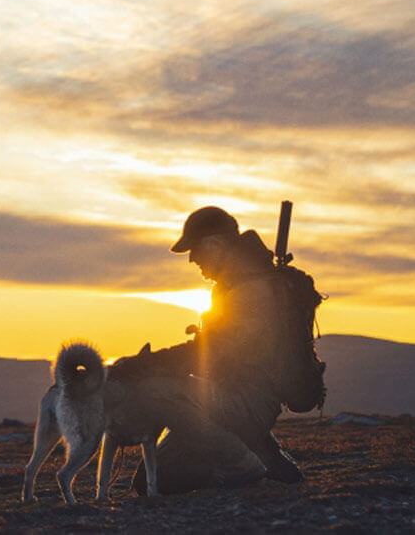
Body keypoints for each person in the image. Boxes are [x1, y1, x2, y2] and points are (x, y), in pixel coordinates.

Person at [125, 205, 325, 493]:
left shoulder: (251, 291)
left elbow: (208, 353)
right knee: (149, 481)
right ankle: (261, 453)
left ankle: (243, 464)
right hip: (228, 400)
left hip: (243, 404)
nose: (193, 259)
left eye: (195, 250)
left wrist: (139, 366)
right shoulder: (235, 286)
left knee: (155, 391)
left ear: (215, 244)